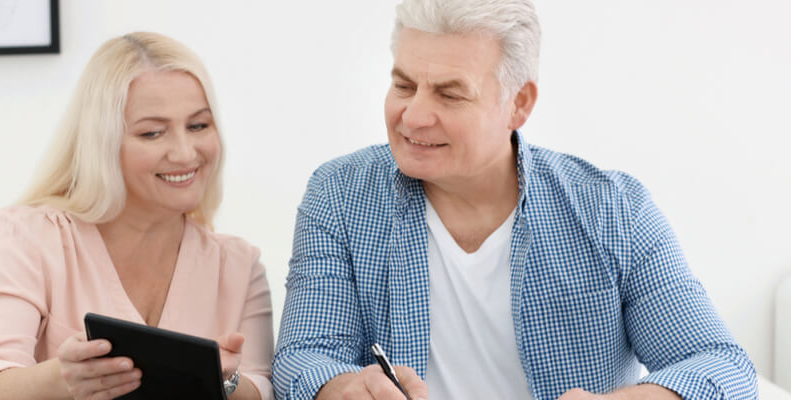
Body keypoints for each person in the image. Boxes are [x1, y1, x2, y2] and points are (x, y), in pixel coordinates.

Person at [272, 0, 757, 399]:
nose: (413, 116)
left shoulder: (614, 210)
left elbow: (723, 366)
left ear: (519, 104)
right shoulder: (338, 194)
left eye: (449, 94)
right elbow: (303, 357)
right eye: (403, 85)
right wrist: (341, 387)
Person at [0, 32, 274, 400]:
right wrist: (62, 379)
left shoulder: (239, 266)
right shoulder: (30, 237)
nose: (185, 153)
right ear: (102, 143)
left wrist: (225, 383)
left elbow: (261, 385)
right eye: (152, 133)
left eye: (198, 125)